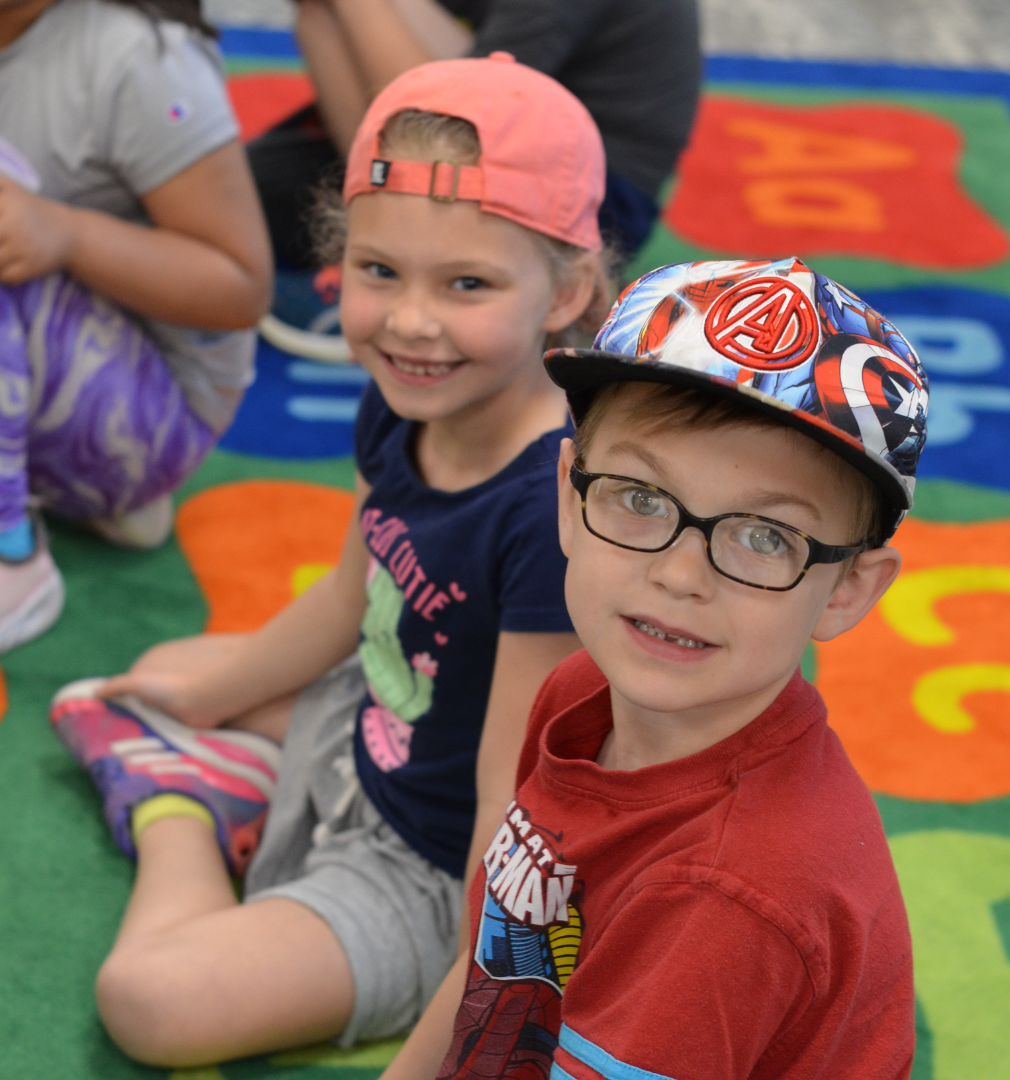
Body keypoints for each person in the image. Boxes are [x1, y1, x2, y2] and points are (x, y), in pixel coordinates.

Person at [49, 55, 610, 1067]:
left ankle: (181, 805)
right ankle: (224, 750)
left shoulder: (548, 513)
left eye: (468, 283)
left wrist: (457, 1029)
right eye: (379, 271)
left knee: (148, 1001)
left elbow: (514, 807)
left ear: (569, 288)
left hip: (439, 872)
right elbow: (359, 591)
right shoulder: (408, 395)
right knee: (176, 669)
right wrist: (211, 695)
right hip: (379, 723)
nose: (410, 321)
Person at [379, 257, 929, 1080]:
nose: (680, 573)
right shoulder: (579, 693)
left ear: (848, 589)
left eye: (765, 536)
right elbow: (498, 972)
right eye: (639, 497)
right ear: (569, 497)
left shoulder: (726, 894)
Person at [0, 0, 273, 654]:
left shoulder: (136, 59)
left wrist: (64, 234)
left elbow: (242, 286)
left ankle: (13, 553)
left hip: (158, 410)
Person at [251, 0, 700, 267]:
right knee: (246, 192)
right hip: (494, 114)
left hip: (597, 191)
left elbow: (465, 112)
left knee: (243, 209)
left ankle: (386, 208)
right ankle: (380, 197)